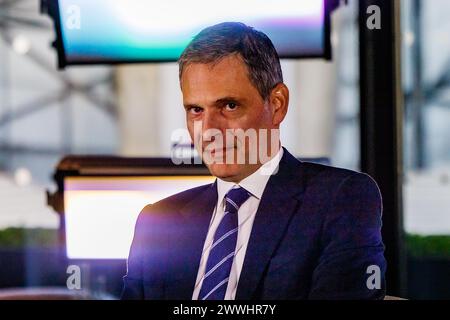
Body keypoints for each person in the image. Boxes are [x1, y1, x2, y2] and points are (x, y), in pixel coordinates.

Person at [121, 22, 386, 300]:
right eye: (196, 110)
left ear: (277, 104)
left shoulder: (340, 200)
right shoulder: (157, 221)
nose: (209, 130)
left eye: (229, 106)